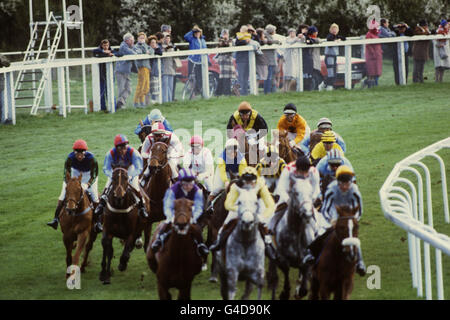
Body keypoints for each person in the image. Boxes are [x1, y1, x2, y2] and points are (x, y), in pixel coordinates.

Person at [303, 165, 366, 276]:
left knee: (352, 236)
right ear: (338, 182)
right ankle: (310, 253)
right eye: (342, 184)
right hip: (332, 214)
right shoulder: (332, 189)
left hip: (348, 214)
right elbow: (326, 208)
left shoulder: (355, 190)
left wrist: (353, 219)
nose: (345, 187)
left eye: (348, 184)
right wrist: (332, 220)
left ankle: (360, 262)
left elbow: (359, 210)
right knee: (321, 232)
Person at [209, 166, 276, 259]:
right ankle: (219, 241)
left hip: (257, 207)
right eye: (246, 181)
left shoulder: (261, 186)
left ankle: (269, 245)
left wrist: (262, 216)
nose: (248, 184)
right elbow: (228, 204)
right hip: (240, 207)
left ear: (256, 180)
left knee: (265, 224)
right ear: (242, 180)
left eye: (251, 181)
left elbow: (270, 205)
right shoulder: (236, 186)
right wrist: (241, 210)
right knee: (227, 222)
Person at [94, 134, 147, 233]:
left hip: (130, 171)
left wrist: (131, 176)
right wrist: (112, 176)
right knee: (107, 186)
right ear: (116, 148)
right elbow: (106, 168)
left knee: (135, 187)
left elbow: (139, 167)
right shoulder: (110, 153)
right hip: (116, 172)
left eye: (125, 147)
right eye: (121, 148)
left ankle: (142, 206)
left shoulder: (133, 153)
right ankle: (101, 205)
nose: (123, 150)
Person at [150, 168, 209, 257]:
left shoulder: (197, 191)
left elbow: (199, 207)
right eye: (185, 184)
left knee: (196, 227)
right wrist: (171, 217)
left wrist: (193, 218)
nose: (189, 186)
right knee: (165, 224)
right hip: (175, 211)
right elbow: (167, 206)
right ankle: (159, 240)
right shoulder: (172, 190)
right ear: (180, 183)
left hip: (190, 212)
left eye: (191, 183)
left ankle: (201, 245)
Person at [47, 139, 99, 230]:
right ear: (74, 153)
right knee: (62, 196)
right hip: (74, 174)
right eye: (77, 154)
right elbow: (65, 173)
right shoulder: (70, 158)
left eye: (81, 154)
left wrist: (88, 184)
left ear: (85, 152)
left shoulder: (92, 159)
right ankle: (55, 219)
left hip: (88, 176)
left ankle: (98, 222)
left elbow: (94, 175)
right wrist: (69, 184)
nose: (79, 156)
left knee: (95, 196)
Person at [319, 23, 346, 91]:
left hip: (334, 56)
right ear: (330, 30)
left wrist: (339, 39)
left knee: (334, 72)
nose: (334, 30)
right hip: (329, 56)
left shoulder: (337, 36)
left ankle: (325, 85)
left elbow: (344, 38)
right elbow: (330, 40)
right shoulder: (329, 36)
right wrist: (335, 40)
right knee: (331, 73)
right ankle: (327, 85)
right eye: (333, 29)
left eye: (336, 29)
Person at [115, 33, 137, 109]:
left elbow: (137, 51)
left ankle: (120, 102)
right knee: (121, 89)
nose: (133, 41)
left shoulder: (129, 46)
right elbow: (133, 53)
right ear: (127, 40)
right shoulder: (123, 46)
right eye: (132, 40)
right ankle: (119, 105)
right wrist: (135, 50)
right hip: (121, 71)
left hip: (126, 71)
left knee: (129, 89)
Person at [184, 25, 208, 96]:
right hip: (192, 60)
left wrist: (208, 60)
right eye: (195, 32)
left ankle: (200, 92)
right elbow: (185, 37)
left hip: (201, 61)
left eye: (198, 32)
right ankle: (192, 93)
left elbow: (205, 50)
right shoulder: (192, 39)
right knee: (191, 77)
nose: (197, 34)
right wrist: (192, 30)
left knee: (200, 78)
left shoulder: (203, 40)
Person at [93, 39, 115, 111]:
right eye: (104, 45)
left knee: (110, 91)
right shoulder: (99, 51)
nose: (106, 47)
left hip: (110, 75)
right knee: (102, 91)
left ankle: (113, 106)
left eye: (107, 45)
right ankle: (103, 107)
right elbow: (94, 51)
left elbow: (119, 53)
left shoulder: (111, 50)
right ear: (102, 45)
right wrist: (104, 52)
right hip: (101, 75)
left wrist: (112, 54)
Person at [133, 32, 151, 108]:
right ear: (137, 39)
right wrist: (145, 50)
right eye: (140, 38)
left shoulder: (146, 45)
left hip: (147, 68)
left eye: (143, 38)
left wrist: (148, 51)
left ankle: (141, 101)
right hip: (141, 68)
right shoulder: (136, 46)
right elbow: (139, 52)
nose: (142, 39)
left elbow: (151, 51)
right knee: (141, 85)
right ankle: (136, 101)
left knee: (146, 87)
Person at [363, 19, 383, 88]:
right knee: (372, 72)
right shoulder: (369, 34)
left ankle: (375, 84)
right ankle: (370, 84)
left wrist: (380, 51)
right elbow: (368, 45)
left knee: (377, 72)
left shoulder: (376, 34)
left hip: (377, 56)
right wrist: (373, 53)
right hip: (371, 56)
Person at [215, 29, 235, 96]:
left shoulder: (230, 40)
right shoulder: (220, 40)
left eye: (226, 33)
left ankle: (218, 93)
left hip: (229, 60)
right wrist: (224, 40)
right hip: (223, 60)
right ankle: (226, 93)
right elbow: (221, 46)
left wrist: (227, 41)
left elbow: (231, 48)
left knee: (227, 77)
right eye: (224, 34)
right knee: (224, 77)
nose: (225, 35)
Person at [264, 24, 281, 94]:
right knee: (269, 77)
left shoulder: (270, 36)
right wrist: (277, 42)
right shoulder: (265, 35)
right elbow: (269, 42)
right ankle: (267, 92)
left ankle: (273, 91)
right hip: (269, 61)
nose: (275, 31)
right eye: (274, 30)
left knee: (273, 77)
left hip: (273, 60)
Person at [161, 33, 177, 103]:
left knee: (170, 87)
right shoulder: (161, 47)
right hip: (164, 69)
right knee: (165, 86)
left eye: (168, 38)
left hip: (171, 68)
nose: (167, 39)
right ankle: (165, 101)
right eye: (166, 38)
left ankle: (170, 101)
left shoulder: (172, 47)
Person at [148, 35, 163, 102]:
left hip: (155, 71)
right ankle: (150, 101)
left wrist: (155, 49)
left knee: (156, 87)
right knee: (150, 88)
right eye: (152, 43)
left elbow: (160, 53)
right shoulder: (148, 50)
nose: (153, 44)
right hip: (149, 71)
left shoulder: (157, 49)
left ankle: (156, 101)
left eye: (155, 42)